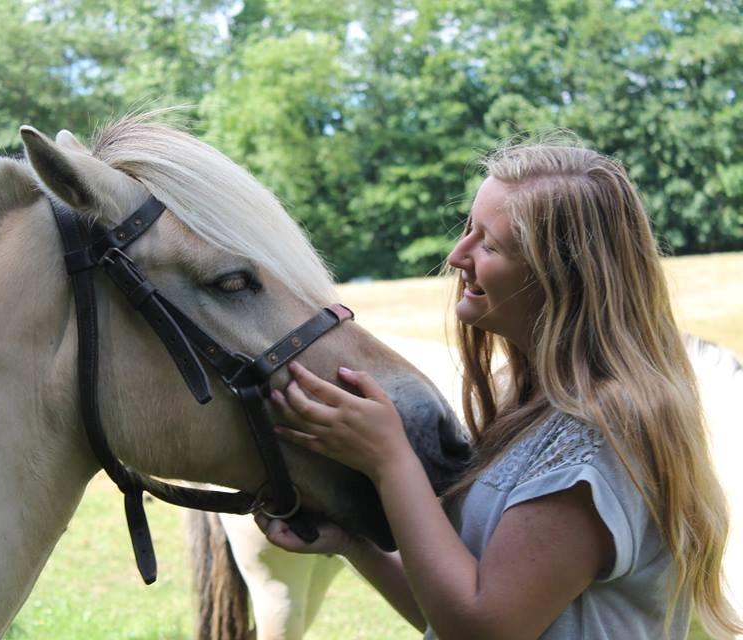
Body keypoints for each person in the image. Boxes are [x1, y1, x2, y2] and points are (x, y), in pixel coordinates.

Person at [258, 139, 742, 639]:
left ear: (562, 279)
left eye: (489, 244)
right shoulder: (533, 407)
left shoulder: (596, 440)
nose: (456, 254)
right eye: (468, 228)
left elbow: (484, 630)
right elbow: (448, 613)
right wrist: (355, 543)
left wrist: (388, 458)